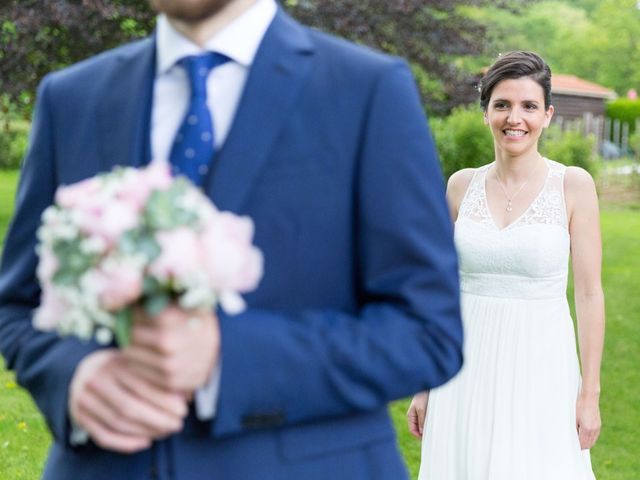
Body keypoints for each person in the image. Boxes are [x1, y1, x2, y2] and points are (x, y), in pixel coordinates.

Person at [0, 1, 464, 479]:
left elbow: (428, 331)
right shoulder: (71, 97)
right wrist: (73, 375)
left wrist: (227, 357)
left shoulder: (368, 91)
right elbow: (18, 304)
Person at [407, 50, 605, 479]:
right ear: (486, 113)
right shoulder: (460, 186)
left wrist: (589, 394)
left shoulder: (573, 186)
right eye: (502, 105)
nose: (515, 118)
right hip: (462, 372)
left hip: (541, 371)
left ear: (548, 115)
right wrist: (424, 385)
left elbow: (589, 294)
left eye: (529, 106)